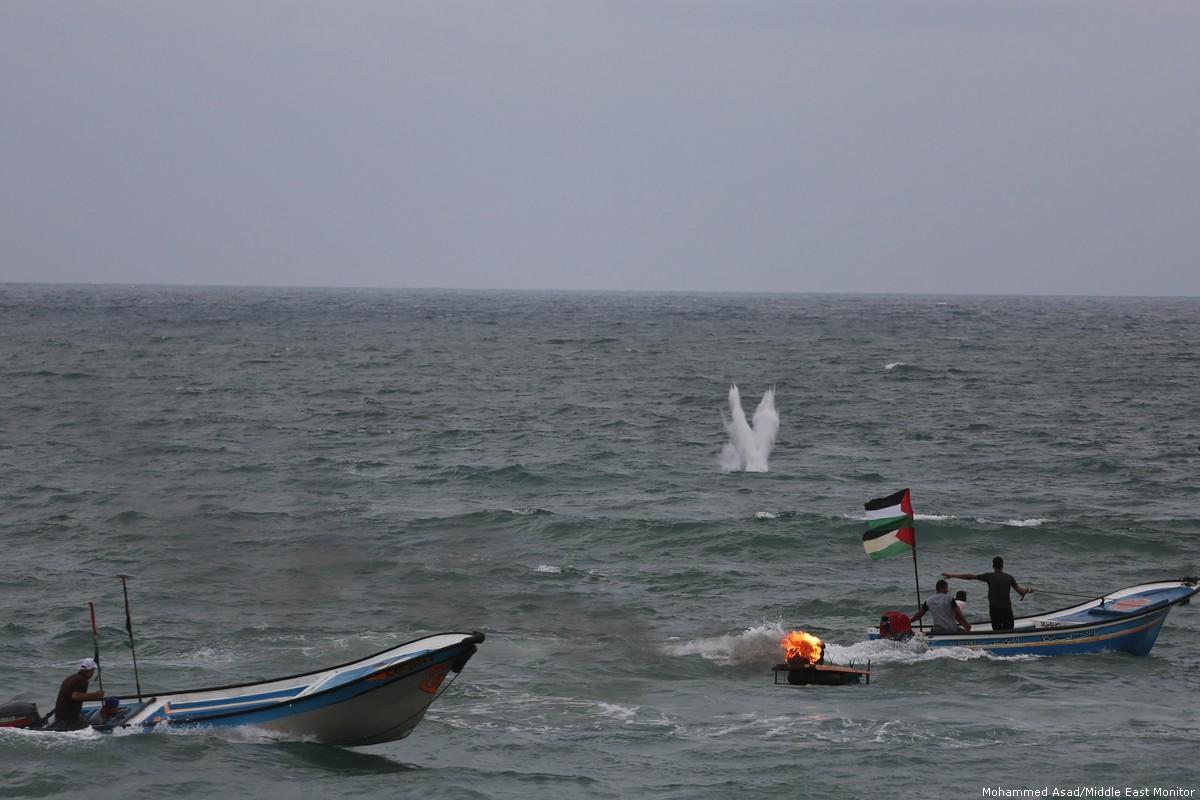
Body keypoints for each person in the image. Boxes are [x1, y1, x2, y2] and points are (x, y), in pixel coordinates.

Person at [944, 556, 1032, 632]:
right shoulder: (1009, 578)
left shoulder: (989, 576)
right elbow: (1021, 592)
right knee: (1008, 631)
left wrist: (952, 575)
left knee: (997, 631)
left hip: (994, 609)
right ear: (1002, 566)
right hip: (1006, 608)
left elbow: (970, 576)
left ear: (993, 566)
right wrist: (1028, 589)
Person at [49, 658, 106, 731]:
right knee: (91, 729)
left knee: (83, 718)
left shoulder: (72, 677)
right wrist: (96, 695)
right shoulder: (82, 680)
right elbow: (76, 696)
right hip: (69, 719)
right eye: (93, 671)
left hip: (59, 715)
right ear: (91, 670)